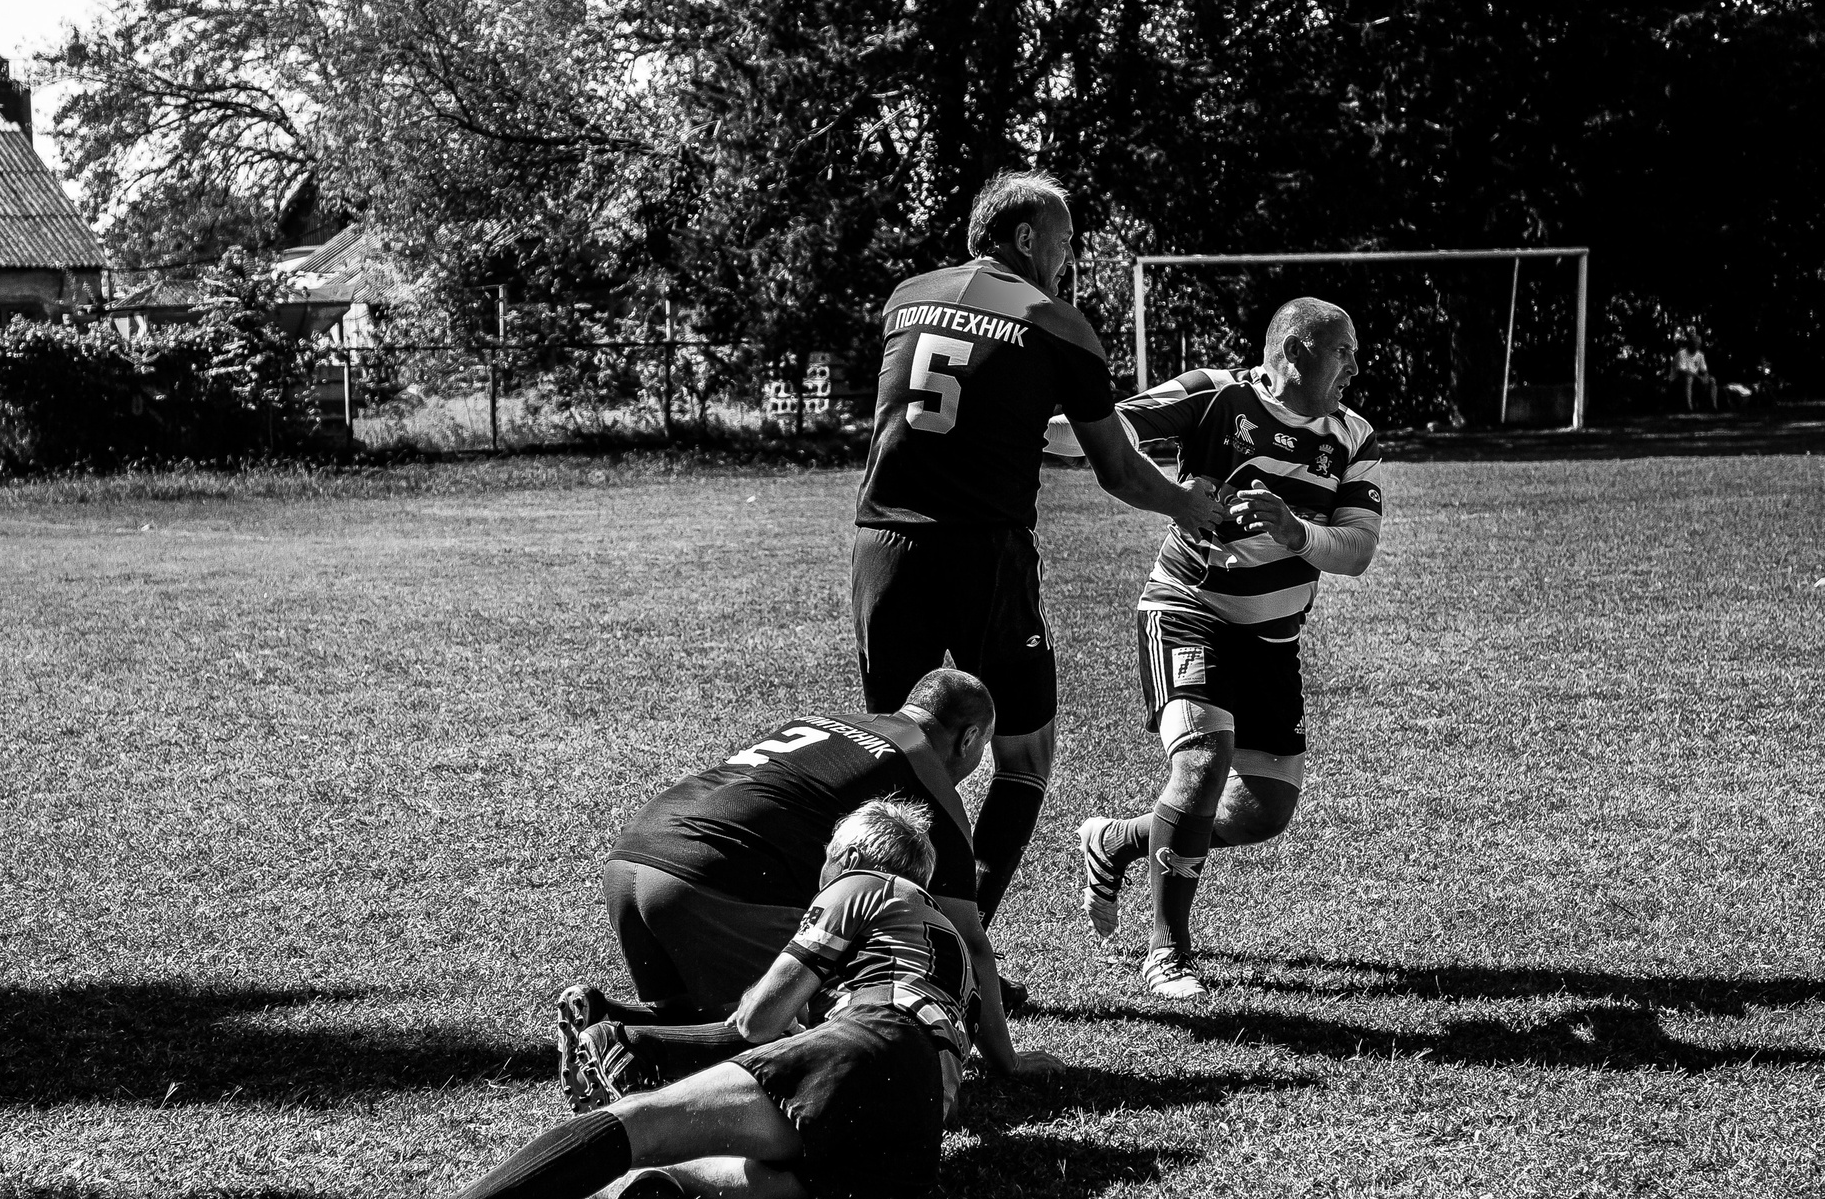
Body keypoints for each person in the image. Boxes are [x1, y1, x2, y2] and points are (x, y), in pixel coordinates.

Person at [326, 800, 1058, 1199]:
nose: (819, 874)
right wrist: (636, 1025)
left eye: (826, 858)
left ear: (849, 859)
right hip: (909, 1139)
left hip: (864, 1055)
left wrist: (649, 1045)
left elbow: (754, 1025)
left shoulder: (858, 888)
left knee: (633, 1124)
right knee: (677, 1162)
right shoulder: (948, 944)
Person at [852, 170, 1225, 952]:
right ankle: (954, 946)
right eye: (1063, 240)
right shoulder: (1057, 322)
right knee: (1025, 757)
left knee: (895, 760)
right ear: (1025, 238)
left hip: (880, 546)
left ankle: (866, 944)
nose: (1069, 256)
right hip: (984, 550)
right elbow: (1119, 470)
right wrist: (1193, 507)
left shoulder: (903, 295)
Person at [1075, 298, 1384, 998]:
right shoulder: (1214, 396)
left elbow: (1358, 550)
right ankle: (1168, 952)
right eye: (1344, 352)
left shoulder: (1353, 436)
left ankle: (1118, 841)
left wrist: (1294, 531)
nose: (1356, 368)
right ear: (1298, 352)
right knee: (1204, 761)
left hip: (1272, 639)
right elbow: (1099, 427)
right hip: (1189, 609)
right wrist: (1171, 493)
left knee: (1267, 809)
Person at [576, 668, 1008, 1100]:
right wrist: (1008, 1061)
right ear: (969, 739)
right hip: (706, 880)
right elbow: (969, 943)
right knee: (798, 1036)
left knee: (694, 1015)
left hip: (631, 858)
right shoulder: (929, 785)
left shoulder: (830, 721)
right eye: (982, 748)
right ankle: (627, 1050)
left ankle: (608, 1020)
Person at [1675, 332, 1718, 412]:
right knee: (1689, 379)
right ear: (1691, 344)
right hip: (1682, 378)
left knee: (1712, 380)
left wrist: (1705, 376)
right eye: (1696, 343)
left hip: (1696, 378)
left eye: (1699, 344)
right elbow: (1682, 370)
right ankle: (1689, 407)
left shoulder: (1700, 355)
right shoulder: (1682, 354)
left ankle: (1713, 406)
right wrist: (1698, 376)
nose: (1698, 345)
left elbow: (1704, 369)